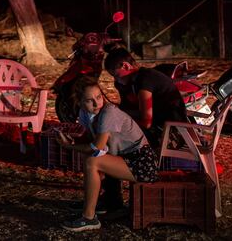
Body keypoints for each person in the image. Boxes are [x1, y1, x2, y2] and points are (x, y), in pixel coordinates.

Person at [58, 75, 159, 232]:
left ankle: (89, 218)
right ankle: (106, 202)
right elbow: (94, 142)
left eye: (99, 97)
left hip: (142, 162)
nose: (96, 103)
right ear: (79, 102)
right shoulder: (85, 114)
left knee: (92, 161)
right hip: (124, 157)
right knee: (91, 159)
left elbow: (96, 147)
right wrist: (73, 141)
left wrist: (69, 146)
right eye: (89, 100)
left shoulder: (108, 112)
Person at [104, 47, 186, 147]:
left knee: (116, 135)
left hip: (171, 131)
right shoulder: (136, 79)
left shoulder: (145, 80)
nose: (116, 79)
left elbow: (146, 123)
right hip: (162, 123)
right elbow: (126, 108)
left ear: (125, 66)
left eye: (116, 75)